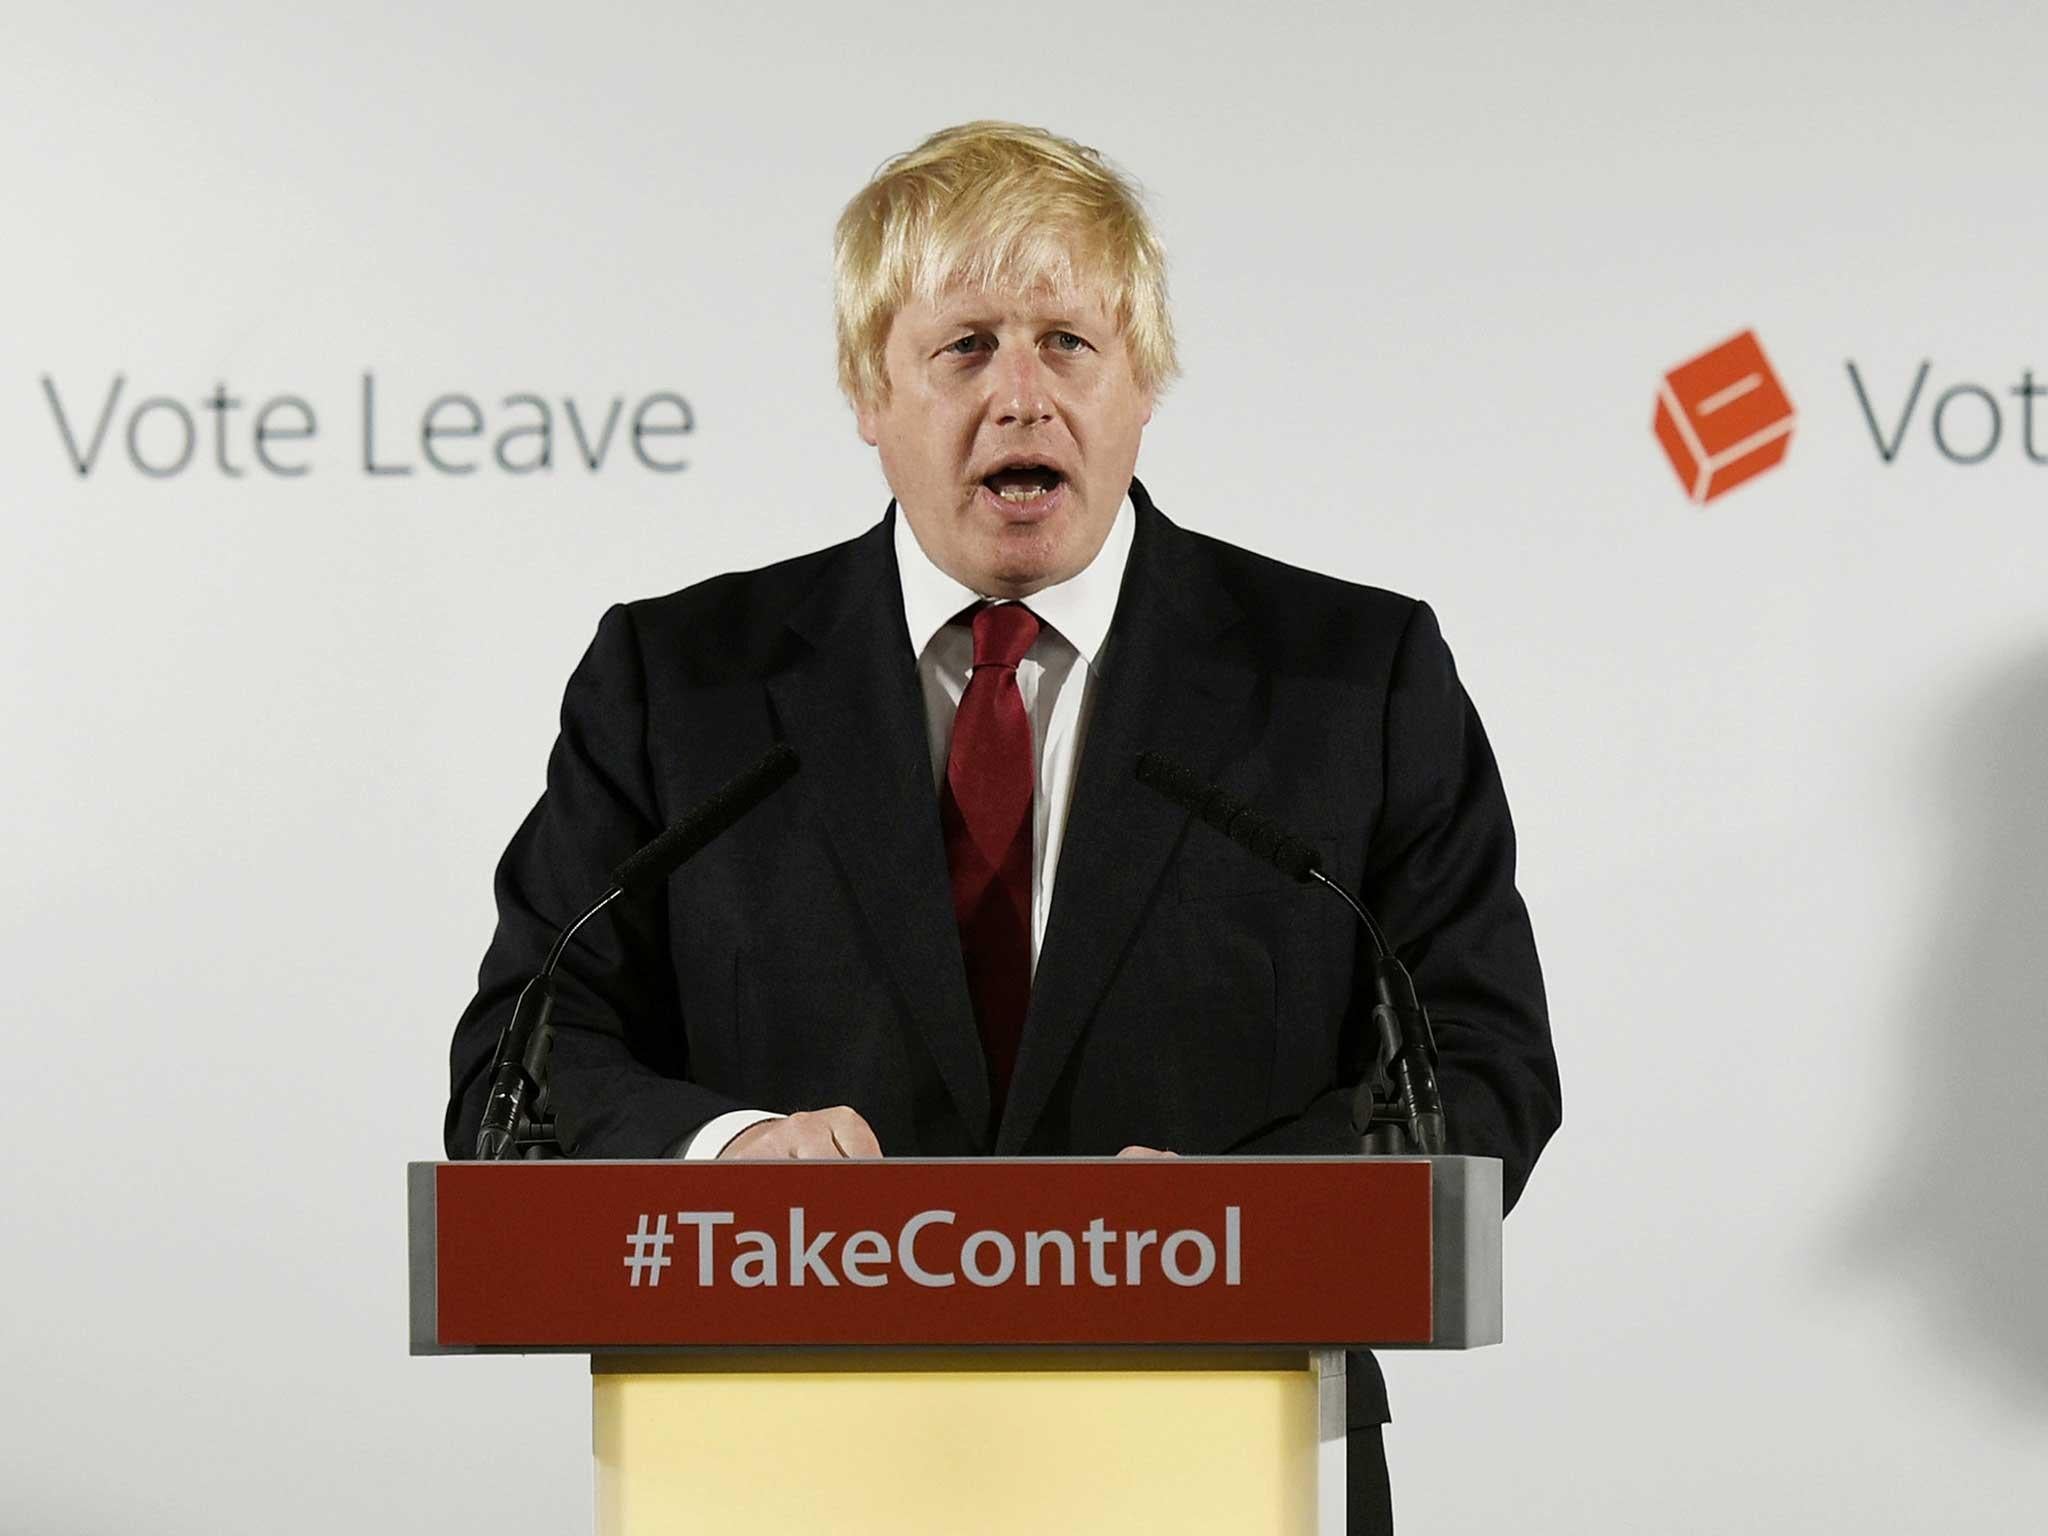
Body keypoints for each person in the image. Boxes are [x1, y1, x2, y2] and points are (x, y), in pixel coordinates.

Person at [445, 120, 1560, 1533]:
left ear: (1144, 380)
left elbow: (1481, 1064)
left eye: (1069, 344)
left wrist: (1240, 1215)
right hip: (774, 1450)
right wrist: (728, 1156)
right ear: (869, 389)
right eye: (965, 345)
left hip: (1221, 1443)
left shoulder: (1352, 674)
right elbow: (517, 1074)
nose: (1022, 399)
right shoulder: (682, 681)